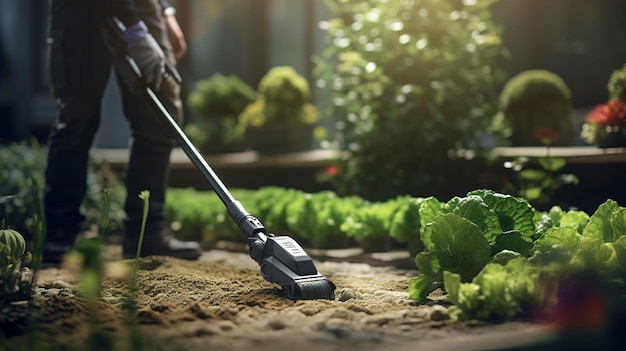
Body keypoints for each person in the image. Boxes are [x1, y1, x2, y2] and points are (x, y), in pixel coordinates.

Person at [43, 0, 202, 263]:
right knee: (76, 120)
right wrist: (133, 27)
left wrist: (164, 9)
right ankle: (59, 239)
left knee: (159, 118)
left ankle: (146, 234)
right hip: (80, 11)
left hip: (142, 6)